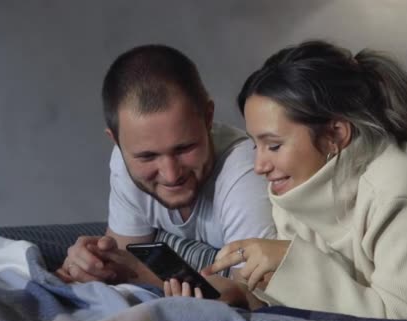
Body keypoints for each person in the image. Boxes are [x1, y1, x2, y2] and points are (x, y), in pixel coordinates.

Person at [165, 40, 407, 321]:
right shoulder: (295, 185)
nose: (259, 166)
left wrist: (289, 261)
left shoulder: (404, 191)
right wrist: (242, 295)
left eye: (274, 145)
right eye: (256, 145)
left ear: (335, 135)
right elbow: (328, 293)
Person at [56, 44, 275, 285]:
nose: (171, 175)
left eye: (184, 148)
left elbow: (251, 294)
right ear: (117, 142)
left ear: (208, 117)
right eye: (147, 157)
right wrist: (90, 264)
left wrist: (145, 275)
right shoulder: (122, 162)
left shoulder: (244, 172)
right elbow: (123, 255)